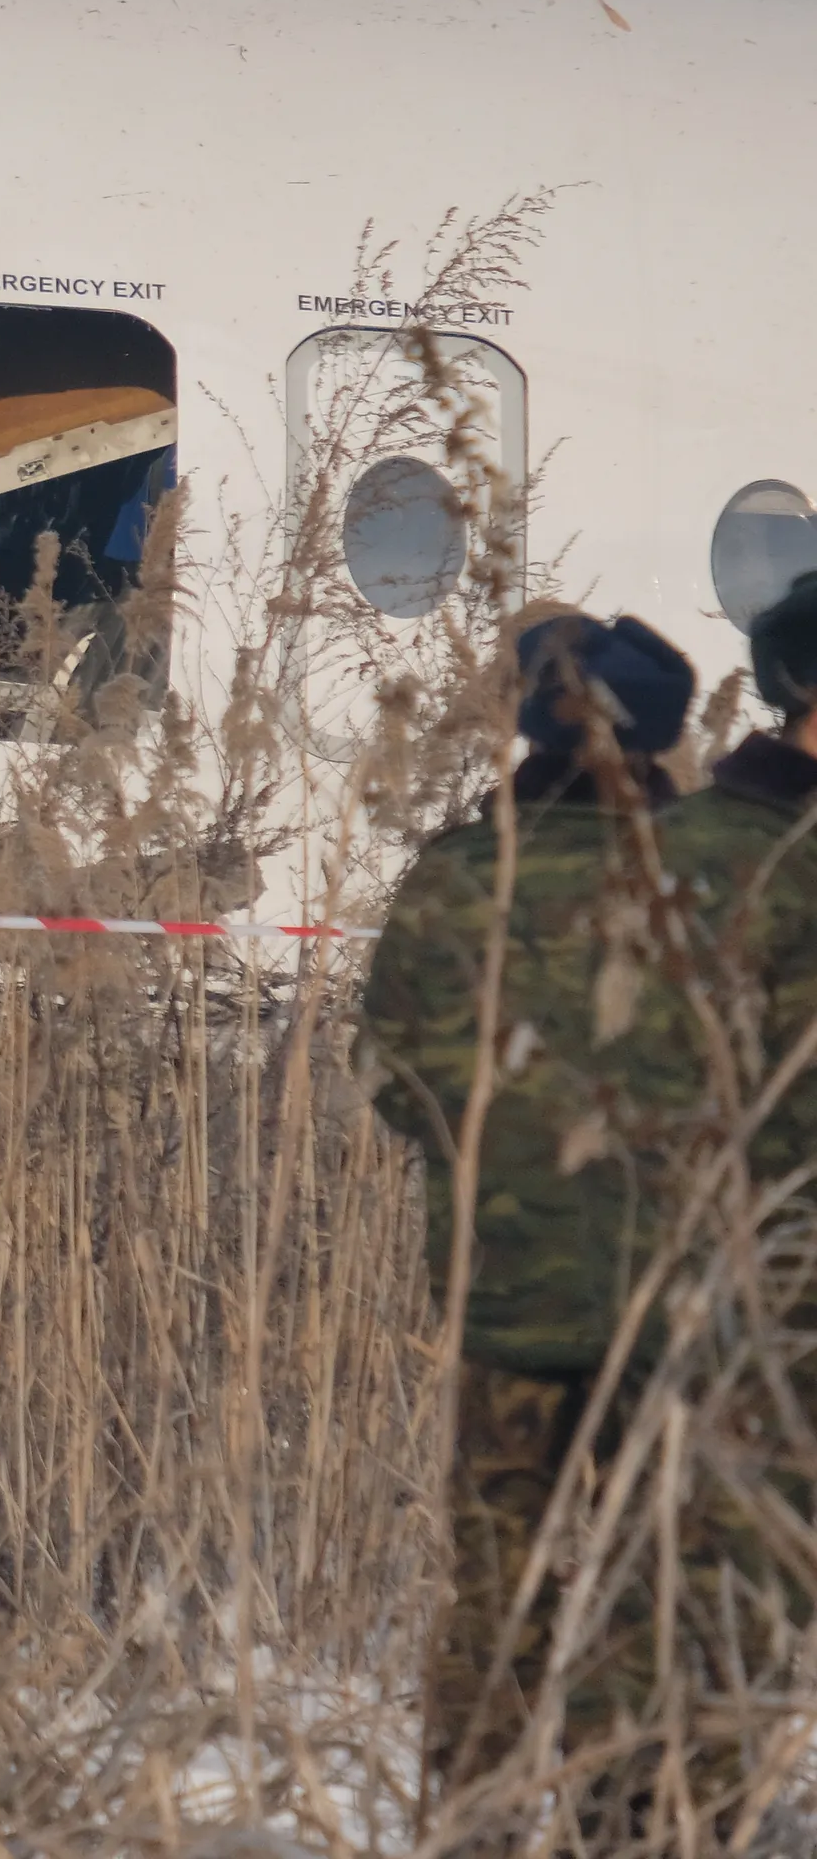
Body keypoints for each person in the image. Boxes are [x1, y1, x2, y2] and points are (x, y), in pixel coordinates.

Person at [362, 609, 740, 1822]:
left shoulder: (460, 874)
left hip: (505, 1294)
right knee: (653, 1570)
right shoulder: (712, 882)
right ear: (661, 740)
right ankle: (632, 1819)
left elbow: (393, 1078)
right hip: (668, 1301)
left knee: (497, 1580)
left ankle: (478, 1817)